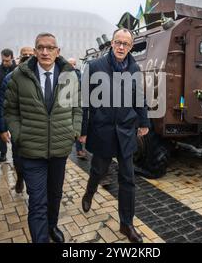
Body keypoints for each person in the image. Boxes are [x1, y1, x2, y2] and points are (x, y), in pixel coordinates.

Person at [4, 33, 81, 243]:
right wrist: (20, 135)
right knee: (37, 200)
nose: (45, 52)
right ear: (35, 51)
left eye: (50, 48)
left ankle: (52, 225)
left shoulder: (70, 76)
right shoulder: (19, 76)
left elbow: (77, 108)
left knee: (55, 195)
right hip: (31, 151)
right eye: (41, 47)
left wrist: (73, 132)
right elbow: (10, 110)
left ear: (58, 51)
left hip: (59, 149)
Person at [79, 28, 149, 243]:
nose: (121, 47)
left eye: (125, 44)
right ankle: (90, 191)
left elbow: (139, 96)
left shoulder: (135, 67)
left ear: (131, 46)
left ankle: (126, 224)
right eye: (118, 42)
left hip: (126, 132)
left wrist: (144, 121)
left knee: (128, 179)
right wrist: (82, 132)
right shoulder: (94, 67)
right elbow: (83, 103)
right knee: (99, 170)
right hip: (103, 131)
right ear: (111, 43)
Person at [0, 47, 35, 193]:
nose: (27, 57)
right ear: (19, 58)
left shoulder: (41, 76)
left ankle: (33, 185)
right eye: (24, 55)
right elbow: (2, 106)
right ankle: (20, 178)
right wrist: (2, 128)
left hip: (37, 126)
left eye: (30, 55)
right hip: (18, 126)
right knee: (18, 157)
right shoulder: (10, 78)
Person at [67, 57, 88, 160]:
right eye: (71, 64)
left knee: (79, 125)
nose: (73, 66)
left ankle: (79, 149)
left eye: (74, 64)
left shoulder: (80, 74)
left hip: (80, 103)